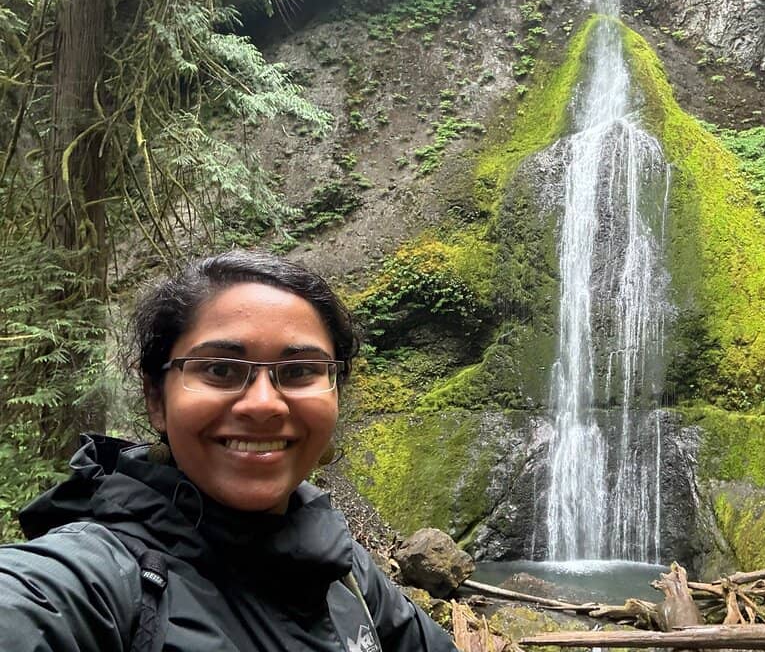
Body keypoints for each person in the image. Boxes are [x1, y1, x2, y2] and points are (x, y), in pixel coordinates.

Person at [0, 251, 459, 652]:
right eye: (220, 368)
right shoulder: (98, 583)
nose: (263, 404)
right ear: (156, 400)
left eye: (300, 371)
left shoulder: (344, 570)